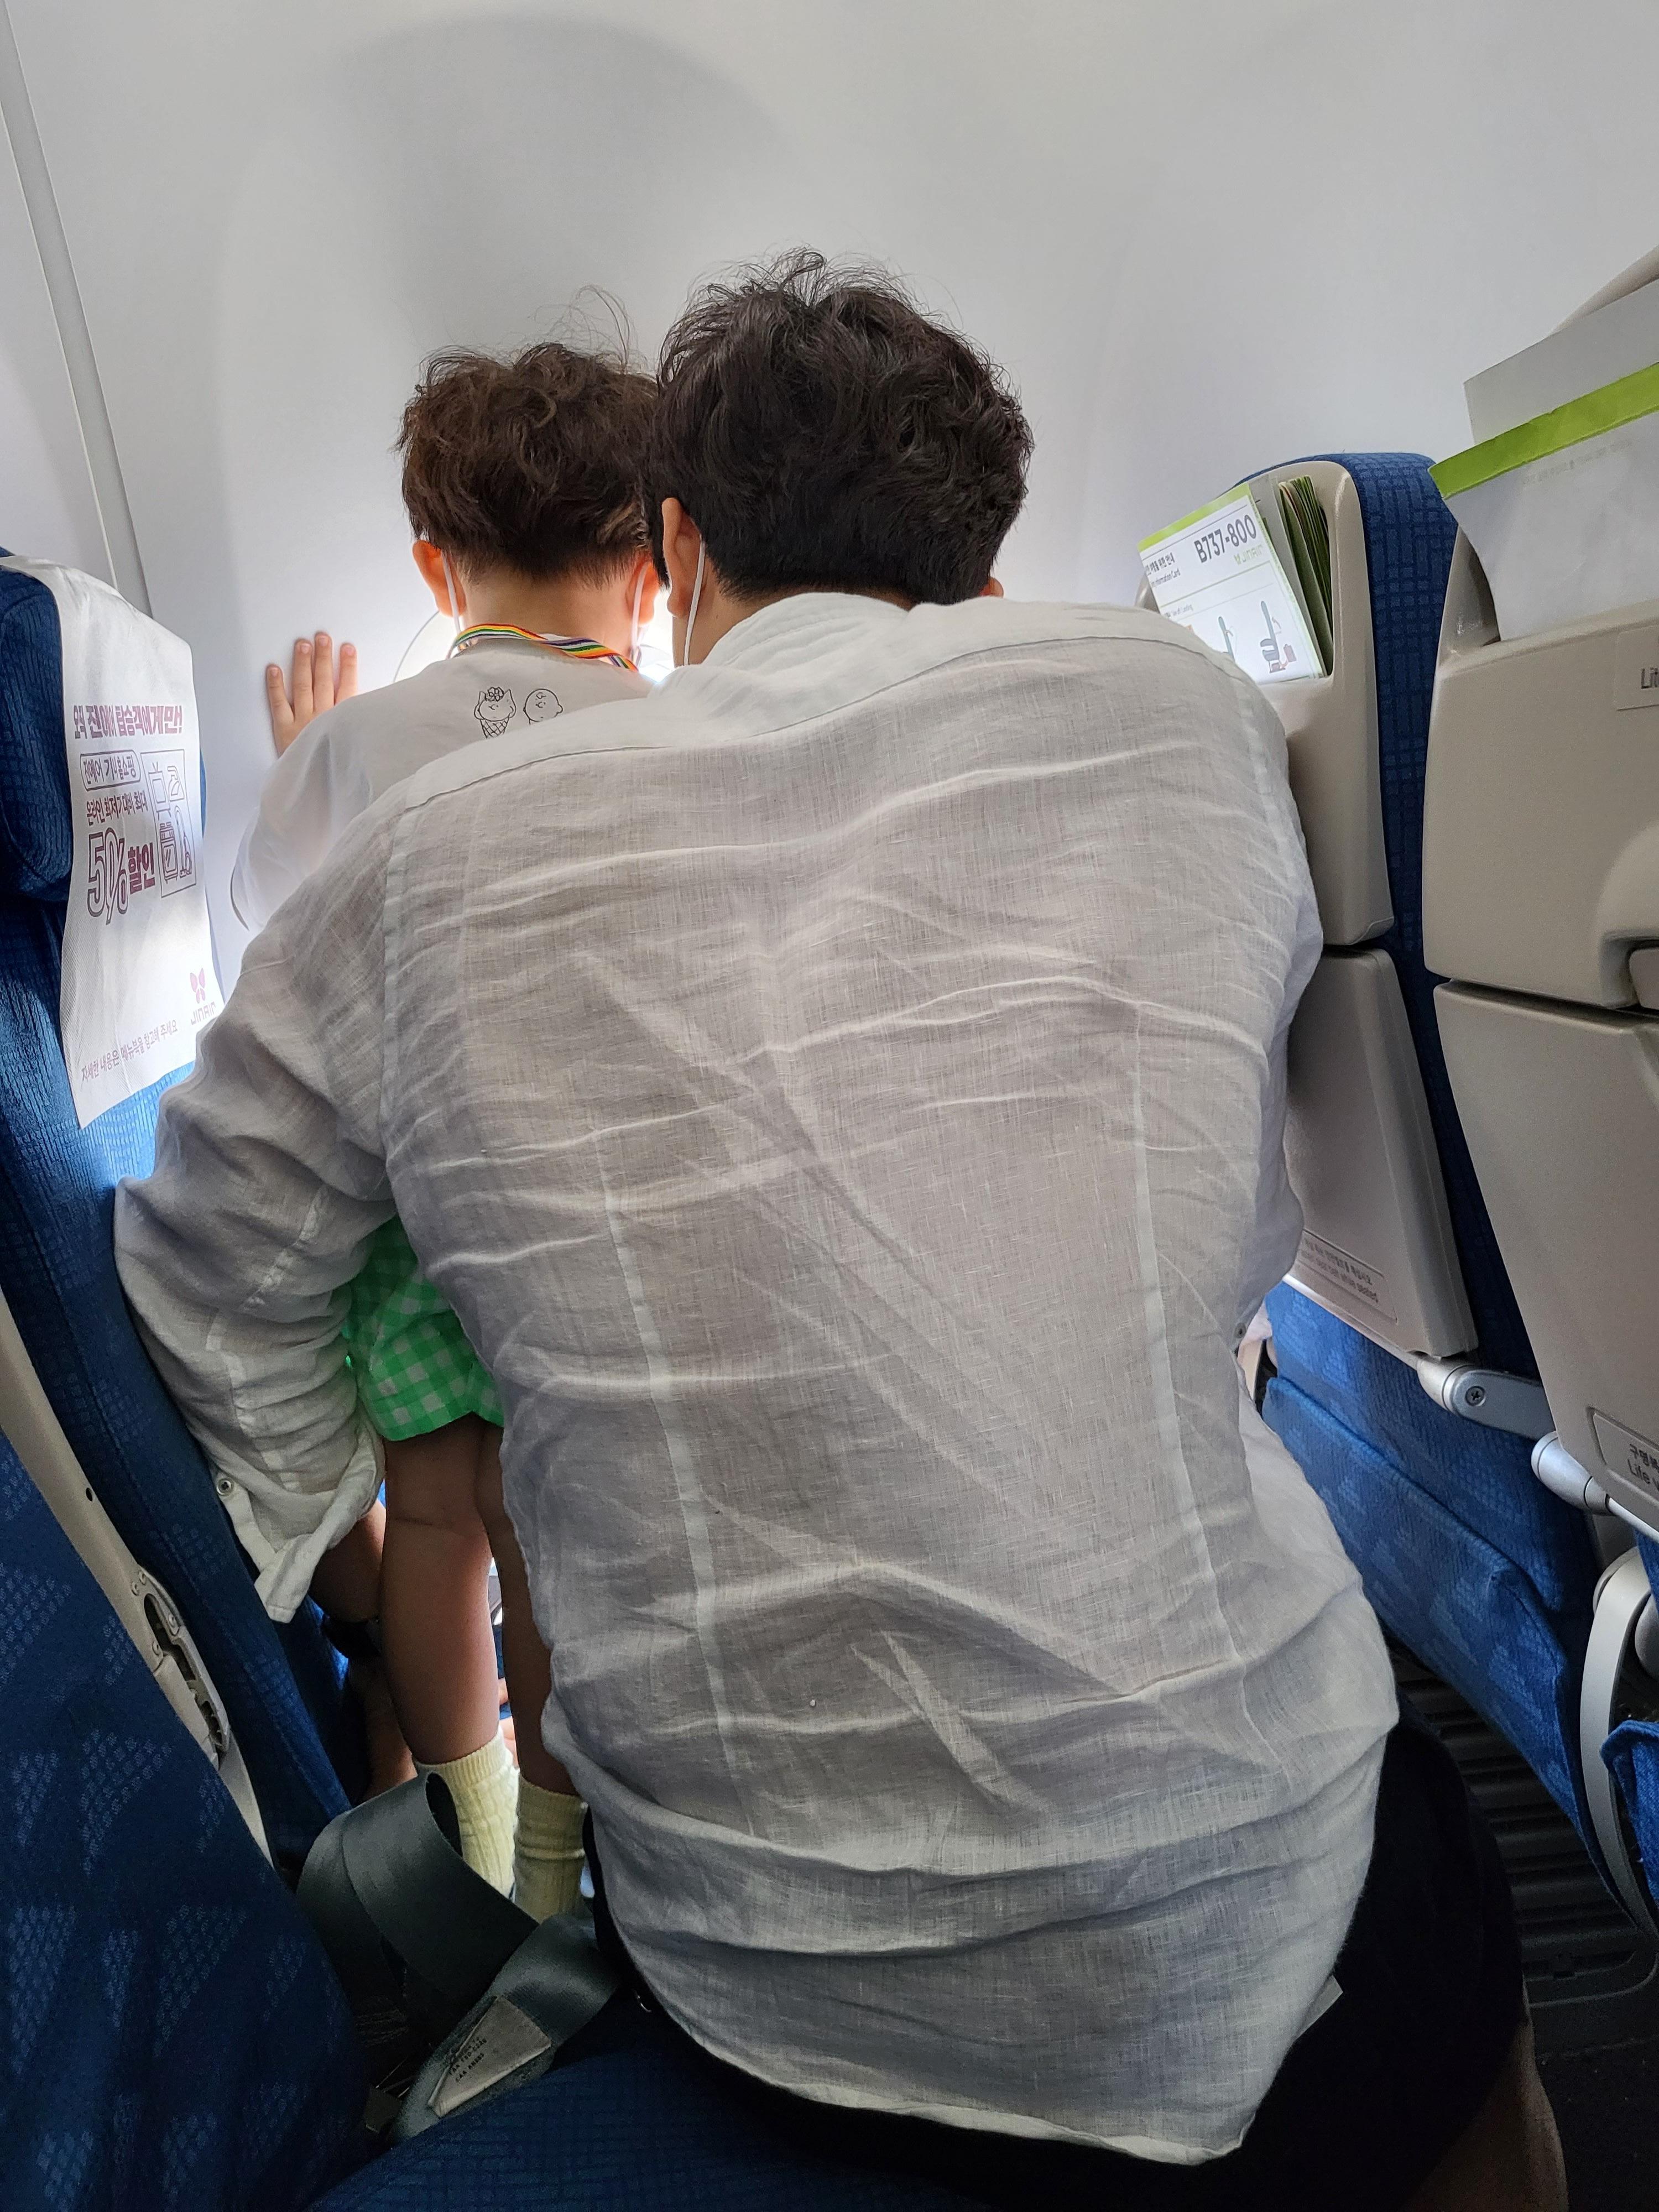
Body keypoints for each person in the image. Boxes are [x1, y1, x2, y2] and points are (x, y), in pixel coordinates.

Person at [114, 253, 1565, 2208]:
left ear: (679, 555)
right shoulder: (1191, 715)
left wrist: (347, 1547)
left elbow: (200, 1286)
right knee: (1457, 1969)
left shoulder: (415, 855)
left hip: (781, 1989)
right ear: (985, 568)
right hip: (1267, 1897)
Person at [228, 338, 660, 1916]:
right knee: (546, 1541)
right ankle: (551, 1870)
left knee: (433, 1517)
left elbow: (268, 927)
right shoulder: (679, 740)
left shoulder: (359, 746)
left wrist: (307, 759)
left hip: (413, 1208)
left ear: (433, 565)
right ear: (659, 565)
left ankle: (462, 1837)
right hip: (580, 1219)